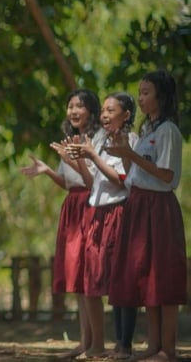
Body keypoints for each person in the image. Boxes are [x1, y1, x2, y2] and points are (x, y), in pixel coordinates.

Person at [107, 70, 186, 362]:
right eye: (139, 93)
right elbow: (136, 172)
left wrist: (133, 154)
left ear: (162, 96)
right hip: (139, 204)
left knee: (163, 274)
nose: (141, 98)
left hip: (159, 206)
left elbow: (167, 175)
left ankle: (168, 348)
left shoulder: (168, 131)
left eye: (147, 93)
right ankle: (152, 346)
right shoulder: (147, 130)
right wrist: (123, 153)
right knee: (146, 275)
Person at [20, 89, 101, 358]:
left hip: (92, 206)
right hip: (73, 207)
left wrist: (74, 160)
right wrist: (48, 170)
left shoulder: (97, 140)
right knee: (78, 279)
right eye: (70, 106)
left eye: (80, 106)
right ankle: (83, 342)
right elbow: (69, 183)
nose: (74, 111)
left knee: (90, 279)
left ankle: (96, 345)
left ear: (92, 110)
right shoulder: (71, 140)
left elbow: (92, 182)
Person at [67, 92, 138, 359]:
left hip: (117, 211)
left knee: (120, 280)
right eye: (104, 111)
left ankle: (123, 344)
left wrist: (93, 156)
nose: (105, 115)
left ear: (126, 115)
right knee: (92, 281)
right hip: (97, 210)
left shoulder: (130, 141)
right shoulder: (100, 139)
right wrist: (77, 160)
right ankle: (97, 344)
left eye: (111, 110)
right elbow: (91, 182)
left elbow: (121, 180)